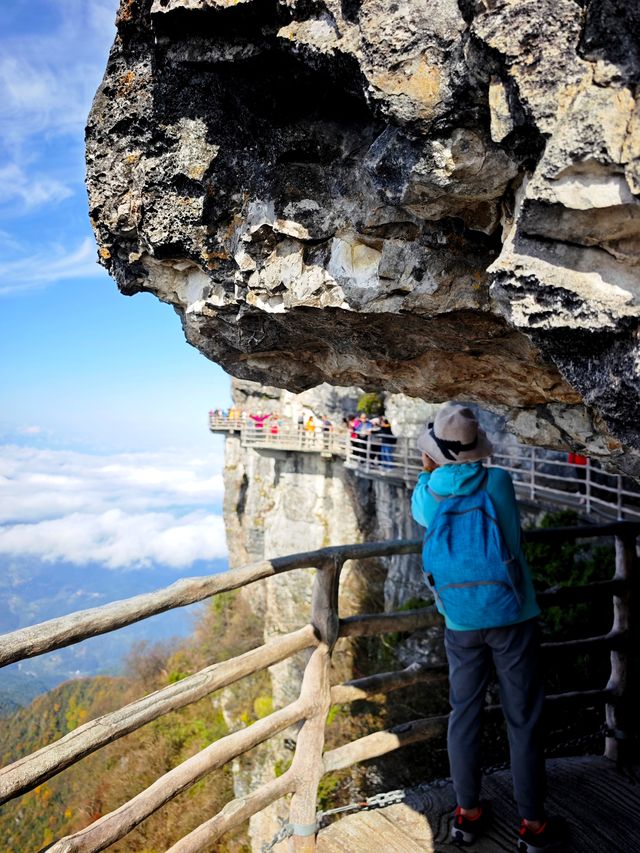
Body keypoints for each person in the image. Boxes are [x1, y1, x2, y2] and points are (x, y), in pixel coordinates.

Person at [411, 403, 565, 852]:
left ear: (435, 454)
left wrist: (427, 469)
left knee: (465, 714)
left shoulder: (428, 493)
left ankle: (468, 811)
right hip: (513, 615)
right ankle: (533, 823)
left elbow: (424, 507)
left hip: (460, 622)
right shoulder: (498, 482)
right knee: (524, 719)